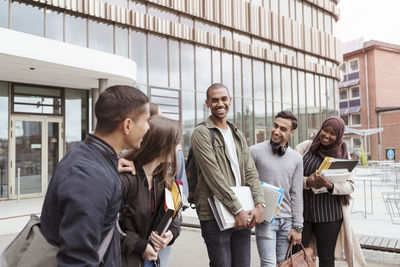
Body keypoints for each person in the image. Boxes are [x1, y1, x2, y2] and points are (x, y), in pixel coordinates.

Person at [40, 85, 150, 267]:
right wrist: (102, 175)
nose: (148, 128)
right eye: (146, 120)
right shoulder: (91, 177)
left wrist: (111, 166)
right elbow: (77, 260)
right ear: (128, 125)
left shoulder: (89, 156)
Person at [191, 83, 265, 267]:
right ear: (207, 103)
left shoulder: (237, 133)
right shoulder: (201, 133)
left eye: (224, 99)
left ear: (230, 101)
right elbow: (213, 176)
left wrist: (259, 203)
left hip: (242, 211)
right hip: (214, 213)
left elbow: (250, 171)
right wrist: (237, 209)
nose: (220, 103)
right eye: (214, 100)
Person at [295, 117, 366, 267]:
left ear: (339, 136)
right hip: (302, 213)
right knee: (298, 255)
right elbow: (289, 176)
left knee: (327, 258)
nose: (326, 135)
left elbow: (351, 186)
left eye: (332, 133)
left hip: (329, 215)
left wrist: (329, 185)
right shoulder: (306, 147)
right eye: (325, 130)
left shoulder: (342, 154)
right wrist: (307, 181)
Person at [119, 116, 182, 267]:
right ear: (161, 144)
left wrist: (171, 233)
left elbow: (176, 213)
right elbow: (107, 228)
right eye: (176, 143)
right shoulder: (125, 180)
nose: (179, 148)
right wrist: (140, 246)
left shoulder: (164, 178)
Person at [250, 111, 303, 267]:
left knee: (283, 264)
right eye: (275, 126)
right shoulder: (254, 151)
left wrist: (298, 226)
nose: (277, 131)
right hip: (266, 220)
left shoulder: (296, 158)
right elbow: (248, 184)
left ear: (292, 133)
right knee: (268, 264)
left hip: (288, 222)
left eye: (283, 129)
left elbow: (297, 193)